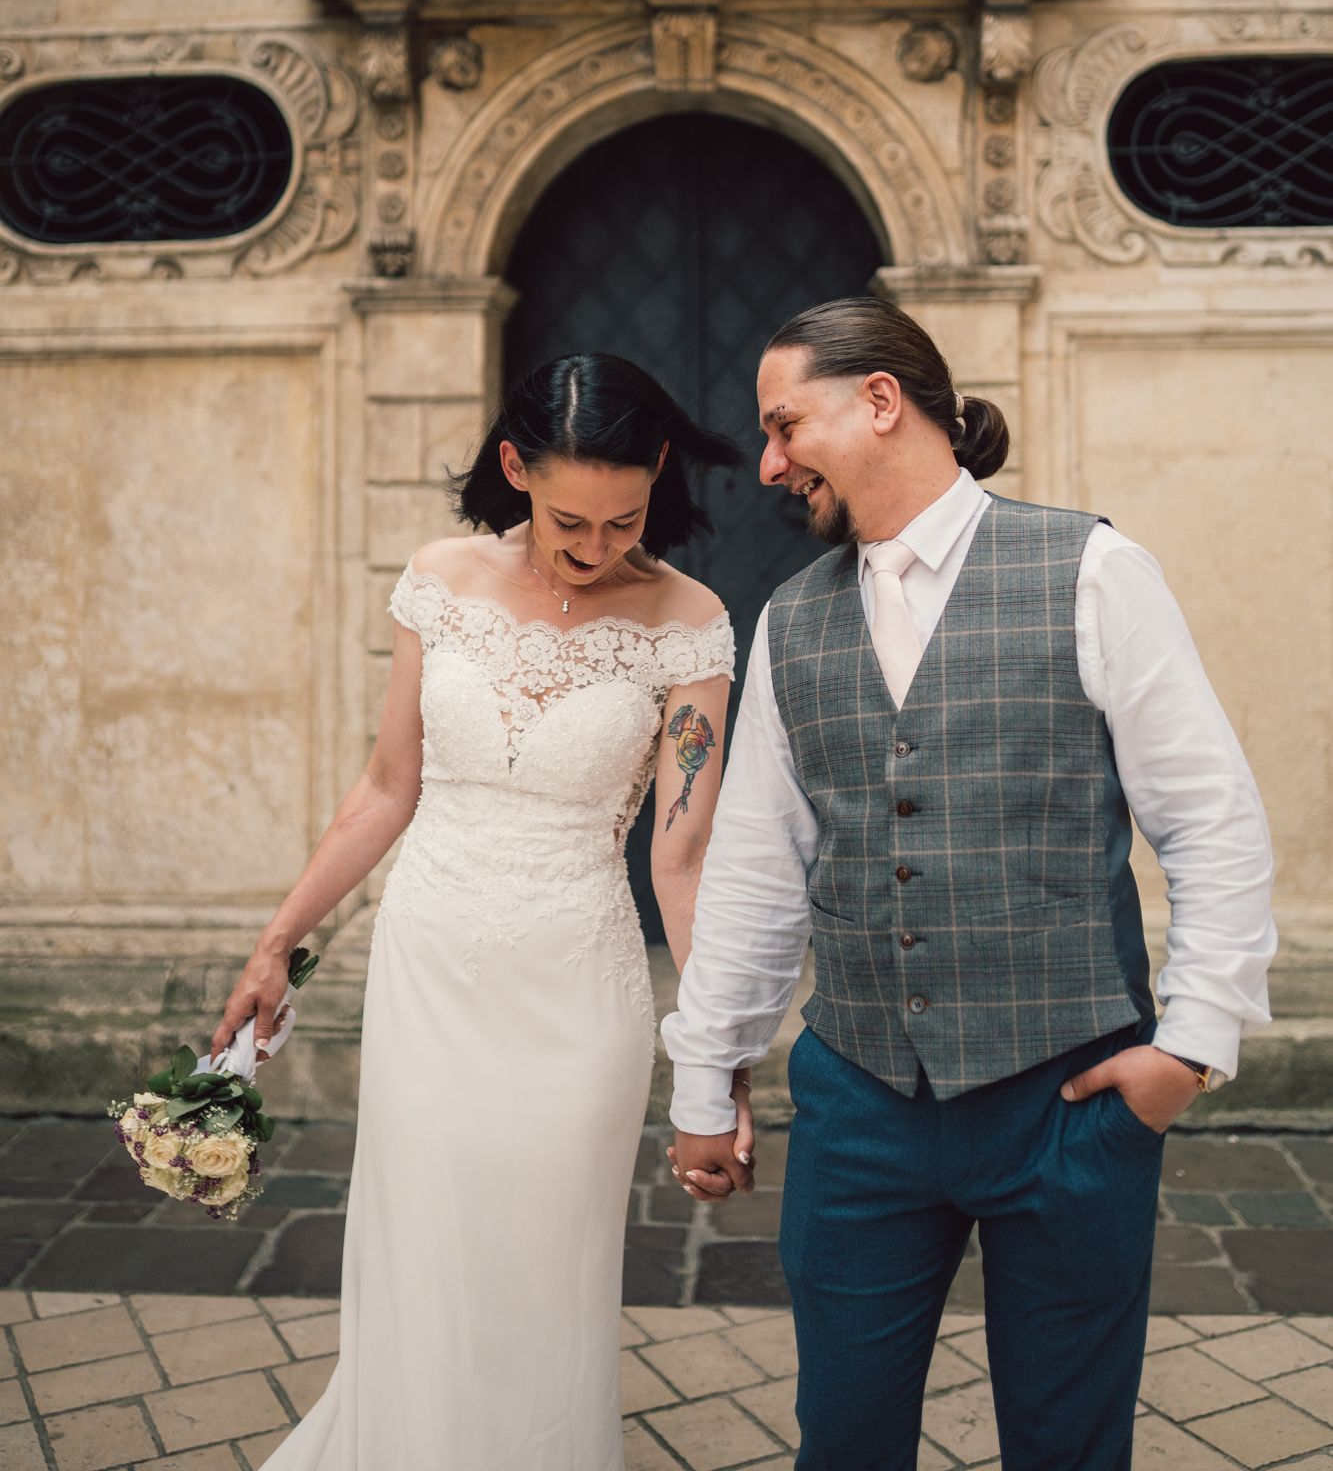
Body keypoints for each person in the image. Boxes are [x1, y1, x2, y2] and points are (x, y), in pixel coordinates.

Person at [662, 295, 1277, 1471]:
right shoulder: (791, 620)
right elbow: (755, 871)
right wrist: (706, 1071)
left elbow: (1210, 819)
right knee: (840, 1438)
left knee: (1065, 1441)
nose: (768, 461)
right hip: (858, 1103)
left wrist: (1189, 1045)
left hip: (1070, 1097)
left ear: (881, 400)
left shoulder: (1093, 568)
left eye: (786, 425)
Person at [212, 353, 752, 1471]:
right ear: (513, 467)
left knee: (545, 1264)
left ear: (657, 474)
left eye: (622, 519)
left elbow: (684, 855)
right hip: (432, 968)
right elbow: (383, 788)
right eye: (567, 518)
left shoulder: (690, 623)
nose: (593, 547)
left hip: (576, 987)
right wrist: (277, 944)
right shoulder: (439, 578)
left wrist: (716, 1058)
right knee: (428, 1251)